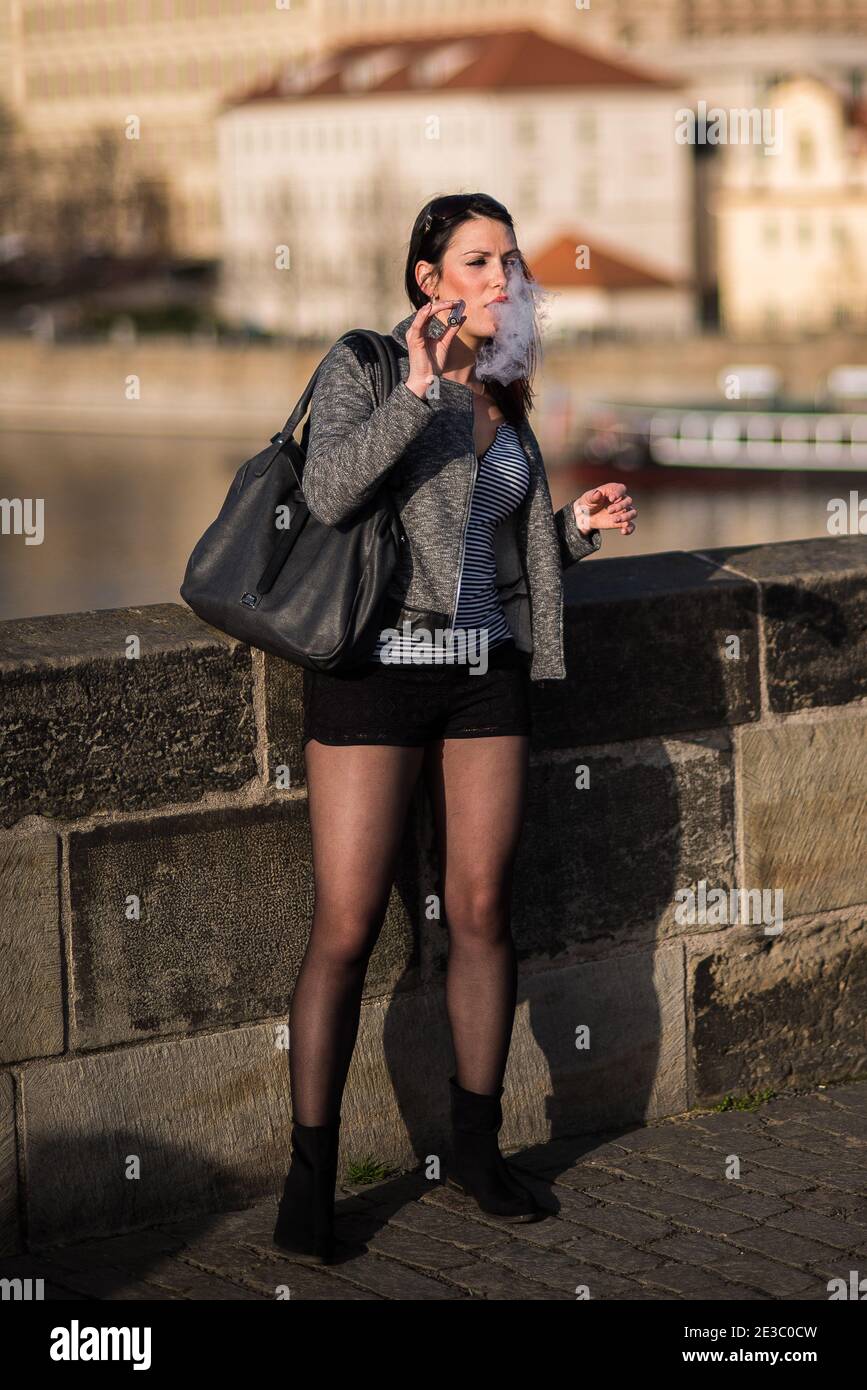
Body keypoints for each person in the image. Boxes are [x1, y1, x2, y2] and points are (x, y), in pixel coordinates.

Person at [274, 192, 637, 1264]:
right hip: (375, 674)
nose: (504, 279)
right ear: (428, 279)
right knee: (346, 928)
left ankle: (477, 1149)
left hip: (483, 675)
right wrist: (416, 395)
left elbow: (496, 559)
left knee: (482, 909)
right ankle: (310, 1178)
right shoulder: (369, 367)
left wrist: (572, 529)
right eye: (479, 261)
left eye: (512, 261)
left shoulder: (505, 388)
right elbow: (331, 494)